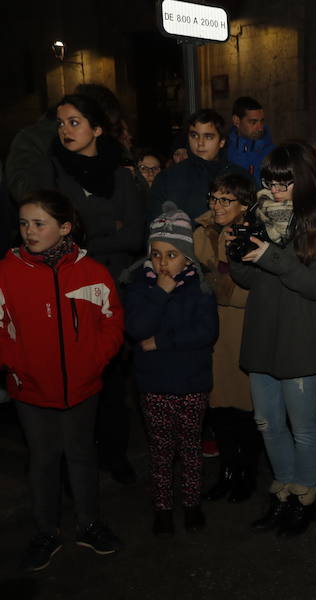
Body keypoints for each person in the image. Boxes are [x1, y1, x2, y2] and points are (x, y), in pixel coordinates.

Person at [1, 190, 125, 572]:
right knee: (42, 460)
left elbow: (112, 321)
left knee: (81, 456)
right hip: (31, 390)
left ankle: (88, 524)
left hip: (82, 387)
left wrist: (94, 361)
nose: (29, 231)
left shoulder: (91, 272)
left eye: (39, 223)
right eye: (24, 223)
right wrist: (19, 365)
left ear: (65, 227)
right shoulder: (8, 272)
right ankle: (46, 531)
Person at [227, 142, 316, 538]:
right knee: (267, 422)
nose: (275, 191)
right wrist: (236, 253)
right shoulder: (260, 215)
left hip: (301, 338)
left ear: (304, 179)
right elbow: (247, 280)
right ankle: (283, 489)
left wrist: (270, 257)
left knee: (302, 426)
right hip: (264, 334)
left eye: (285, 183)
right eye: (270, 182)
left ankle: (304, 497)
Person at [37, 93, 144, 484]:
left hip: (111, 287)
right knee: (71, 377)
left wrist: (86, 239)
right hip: (66, 288)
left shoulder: (120, 172)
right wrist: (105, 231)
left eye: (75, 122)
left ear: (97, 129)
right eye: (62, 123)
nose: (65, 130)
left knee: (112, 375)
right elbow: (51, 237)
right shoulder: (52, 172)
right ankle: (71, 463)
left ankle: (114, 454)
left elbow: (134, 235)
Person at [124, 203, 218, 536]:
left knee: (190, 448)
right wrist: (160, 294)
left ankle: (192, 503)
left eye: (172, 255)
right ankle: (162, 507)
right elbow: (136, 327)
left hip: (191, 383)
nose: (163, 263)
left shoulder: (201, 288)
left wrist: (161, 342)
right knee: (161, 451)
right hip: (154, 385)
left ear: (188, 257)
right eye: (157, 254)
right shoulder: (140, 287)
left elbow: (205, 332)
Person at [194, 173, 261, 503]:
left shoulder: (252, 233)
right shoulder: (200, 230)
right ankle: (228, 470)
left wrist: (217, 285)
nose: (217, 205)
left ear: (245, 205)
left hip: (243, 327)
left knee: (246, 407)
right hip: (211, 329)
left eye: (226, 199)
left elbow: (249, 290)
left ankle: (247, 472)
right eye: (214, 198)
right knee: (218, 405)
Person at [150, 109, 250, 221]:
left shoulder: (240, 176)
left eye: (208, 137)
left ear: (222, 142)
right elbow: (155, 225)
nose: (200, 143)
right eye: (194, 135)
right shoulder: (168, 178)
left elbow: (251, 218)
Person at [227, 96, 274, 184]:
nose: (260, 128)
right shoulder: (223, 151)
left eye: (262, 121)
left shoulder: (273, 153)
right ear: (236, 120)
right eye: (253, 122)